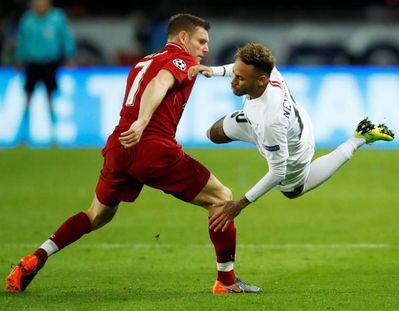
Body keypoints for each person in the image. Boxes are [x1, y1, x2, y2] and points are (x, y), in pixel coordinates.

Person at [6, 14, 260, 295]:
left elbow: (150, 83)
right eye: (201, 41)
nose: (205, 48)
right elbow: (159, 84)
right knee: (222, 198)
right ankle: (226, 281)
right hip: (151, 146)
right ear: (183, 38)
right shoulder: (181, 59)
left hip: (119, 147)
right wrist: (142, 122)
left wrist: (136, 124)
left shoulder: (144, 61)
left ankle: (36, 257)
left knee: (97, 215)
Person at [188, 43, 395, 232]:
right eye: (235, 75)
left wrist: (240, 204)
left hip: (294, 147)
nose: (233, 82)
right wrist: (213, 71)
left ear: (261, 81)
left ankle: (359, 138)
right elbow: (239, 67)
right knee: (213, 134)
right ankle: (261, 137)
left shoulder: (270, 120)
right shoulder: (269, 71)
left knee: (293, 190)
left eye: (240, 79)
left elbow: (278, 172)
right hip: (276, 121)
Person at [15, 0, 76, 144]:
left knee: (50, 100)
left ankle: (54, 135)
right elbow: (21, 40)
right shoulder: (27, 19)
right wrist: (18, 58)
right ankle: (23, 135)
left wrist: (70, 55)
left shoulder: (57, 18)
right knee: (28, 100)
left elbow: (65, 37)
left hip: (50, 63)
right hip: (32, 63)